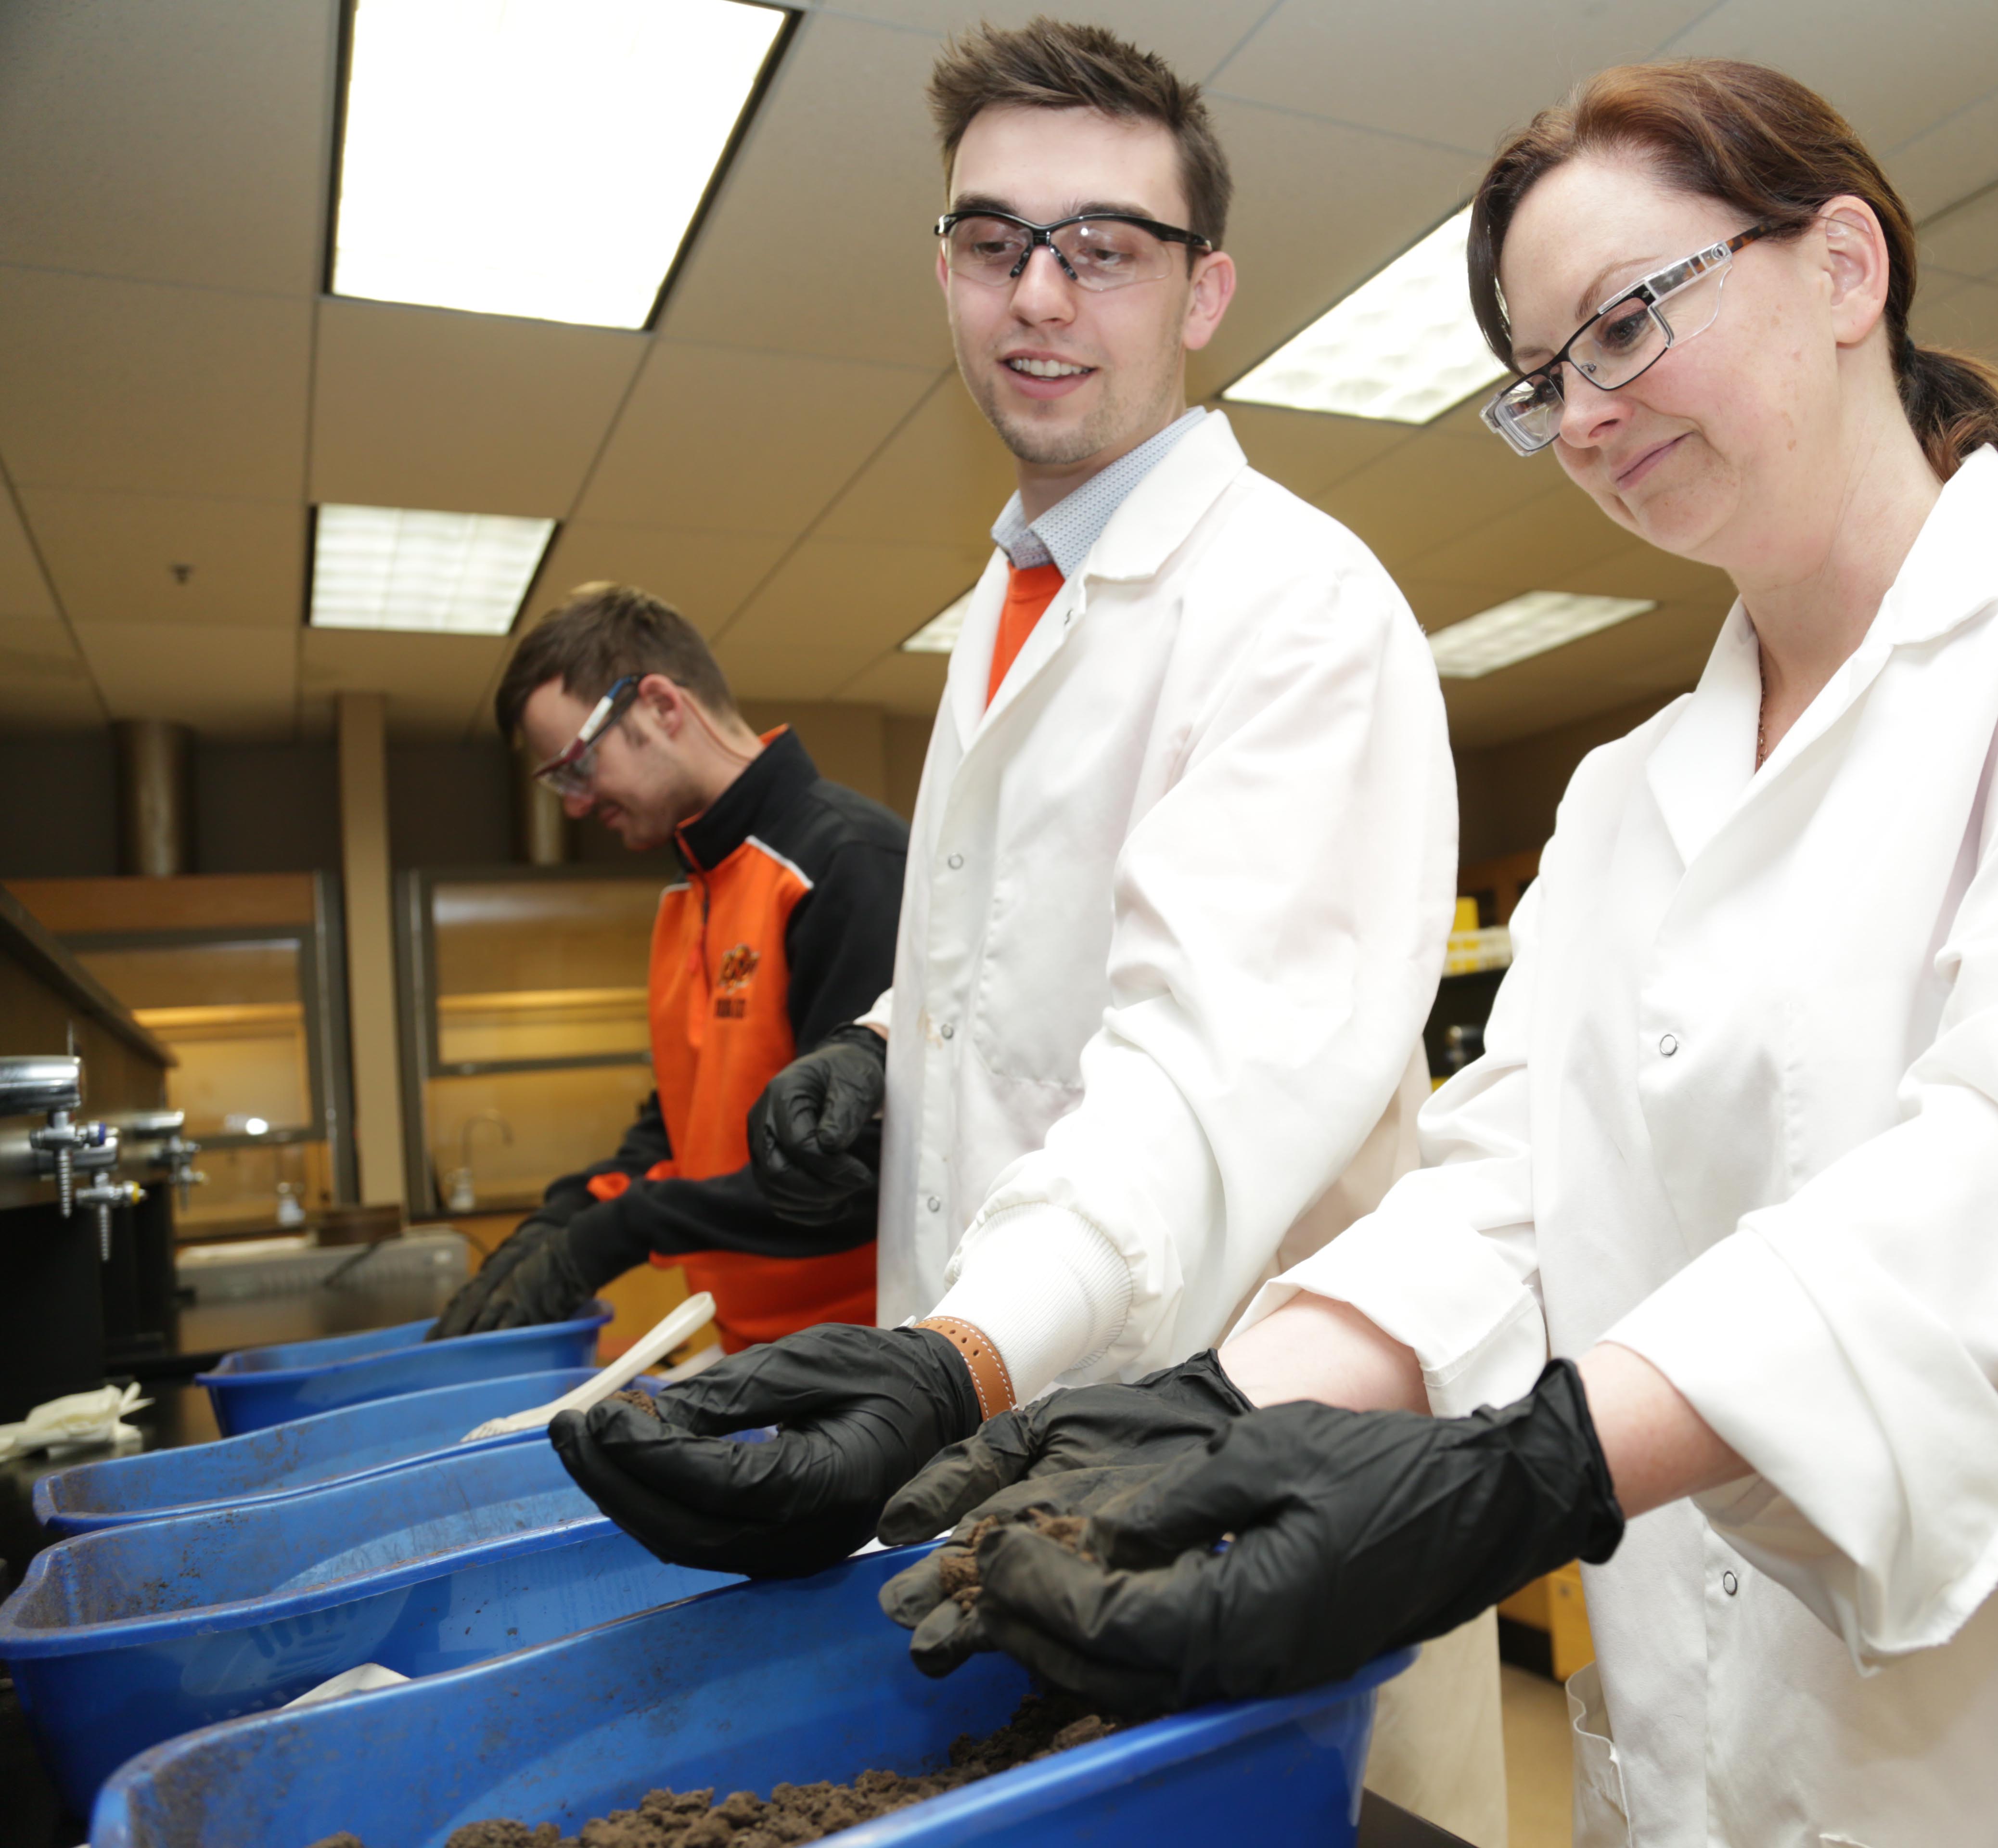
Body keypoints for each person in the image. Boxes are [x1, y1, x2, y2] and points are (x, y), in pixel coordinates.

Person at [872, 58, 1998, 1848]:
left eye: (1625, 325)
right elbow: (1509, 1197)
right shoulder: (1631, 798)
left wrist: (1533, 1473)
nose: (1591, 413)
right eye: (1546, 382)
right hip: (1724, 1769)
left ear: (1847, 269)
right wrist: (1220, 1406)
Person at [545, 23, 1505, 1843]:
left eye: (1106, 248)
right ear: (944, 268)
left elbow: (1208, 1072)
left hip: (1237, 1486)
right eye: (994, 243)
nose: (1040, 296)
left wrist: (954, 1355)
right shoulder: (1003, 594)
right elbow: (1027, 955)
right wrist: (884, 1046)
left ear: (1204, 290)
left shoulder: (1293, 612)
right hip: (1017, 1465)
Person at [431, 583, 906, 1353]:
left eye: (577, 767)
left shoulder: (845, 862)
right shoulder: (692, 896)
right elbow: (685, 1125)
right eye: (558, 781)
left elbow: (851, 1172)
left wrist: (619, 1231)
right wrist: (570, 1212)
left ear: (659, 705)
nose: (575, 806)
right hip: (761, 1350)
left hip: (875, 1355)